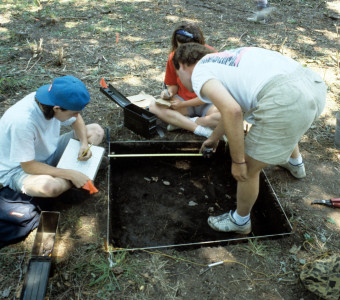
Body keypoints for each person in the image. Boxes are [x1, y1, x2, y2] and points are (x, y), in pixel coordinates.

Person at [172, 43, 327, 234]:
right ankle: (295, 164)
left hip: (285, 97)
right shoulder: (227, 59)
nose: (181, 80)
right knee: (284, 125)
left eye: (178, 75)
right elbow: (234, 105)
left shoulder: (200, 73)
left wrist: (238, 161)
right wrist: (215, 137)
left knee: (248, 169)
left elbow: (233, 111)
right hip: (313, 85)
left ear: (184, 65)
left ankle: (240, 221)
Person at [0, 75, 104, 198]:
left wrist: (84, 144)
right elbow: (28, 166)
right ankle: (77, 177)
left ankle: (74, 176)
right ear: (56, 108)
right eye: (73, 113)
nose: (76, 116)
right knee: (49, 188)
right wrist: (70, 174)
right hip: (18, 169)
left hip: (49, 152)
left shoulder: (52, 100)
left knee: (96, 131)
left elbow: (77, 120)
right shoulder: (22, 122)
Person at [148, 23, 221, 138]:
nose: (183, 53)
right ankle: (200, 129)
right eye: (180, 48)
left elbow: (211, 95)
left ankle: (185, 122)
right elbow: (172, 84)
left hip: (206, 103)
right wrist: (169, 93)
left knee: (222, 116)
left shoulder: (211, 56)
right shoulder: (173, 56)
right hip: (182, 101)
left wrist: (184, 104)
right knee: (154, 107)